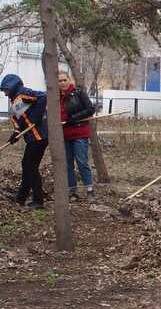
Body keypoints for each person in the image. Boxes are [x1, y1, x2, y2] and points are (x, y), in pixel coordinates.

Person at [1, 74, 48, 209]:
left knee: (30, 166)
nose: (4, 93)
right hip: (32, 138)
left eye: (6, 90)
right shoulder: (14, 101)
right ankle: (21, 197)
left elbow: (43, 97)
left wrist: (37, 116)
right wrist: (15, 133)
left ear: (13, 86)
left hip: (39, 136)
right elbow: (17, 120)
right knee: (27, 165)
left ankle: (38, 201)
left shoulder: (23, 93)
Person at [57, 71, 96, 202]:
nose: (62, 83)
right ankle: (72, 192)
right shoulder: (55, 97)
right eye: (59, 81)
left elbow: (90, 109)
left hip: (79, 133)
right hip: (64, 135)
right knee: (68, 164)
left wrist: (74, 118)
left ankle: (90, 190)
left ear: (69, 80)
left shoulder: (78, 93)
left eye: (64, 80)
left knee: (82, 162)